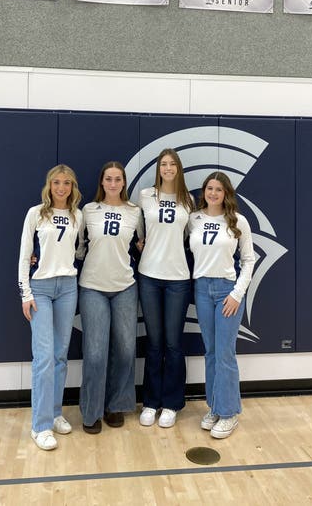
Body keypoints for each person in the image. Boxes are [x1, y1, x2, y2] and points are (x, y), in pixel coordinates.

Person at [18, 165, 82, 451]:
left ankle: (55, 413)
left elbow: (78, 250)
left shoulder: (76, 215)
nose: (61, 188)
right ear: (49, 185)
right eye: (56, 182)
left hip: (68, 287)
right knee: (43, 357)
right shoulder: (36, 213)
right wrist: (25, 293)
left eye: (66, 183)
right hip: (40, 290)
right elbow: (23, 256)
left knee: (59, 356)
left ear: (72, 187)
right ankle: (40, 425)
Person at [188, 171, 256, 439]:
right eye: (209, 188)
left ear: (226, 193)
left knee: (225, 352)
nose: (213, 193)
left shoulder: (238, 221)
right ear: (203, 191)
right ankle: (215, 406)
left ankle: (229, 413)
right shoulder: (193, 219)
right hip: (202, 288)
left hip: (227, 291)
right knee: (211, 352)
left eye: (218, 189)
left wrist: (237, 293)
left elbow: (249, 260)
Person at [77, 161, 143, 433]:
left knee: (126, 350)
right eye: (108, 179)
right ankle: (91, 410)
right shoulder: (89, 211)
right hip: (93, 286)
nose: (113, 183)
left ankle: (115, 406)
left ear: (124, 182)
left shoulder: (134, 212)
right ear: (101, 182)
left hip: (125, 287)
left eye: (118, 179)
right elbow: (78, 247)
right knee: (94, 353)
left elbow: (142, 245)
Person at [135, 149, 196, 429]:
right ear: (158, 168)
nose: (168, 168)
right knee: (154, 343)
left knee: (172, 344)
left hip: (178, 279)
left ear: (179, 169)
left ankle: (171, 403)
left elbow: (191, 238)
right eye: (164, 164)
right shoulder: (146, 196)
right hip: (149, 275)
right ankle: (150, 402)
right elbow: (140, 234)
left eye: (172, 164)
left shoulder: (188, 200)